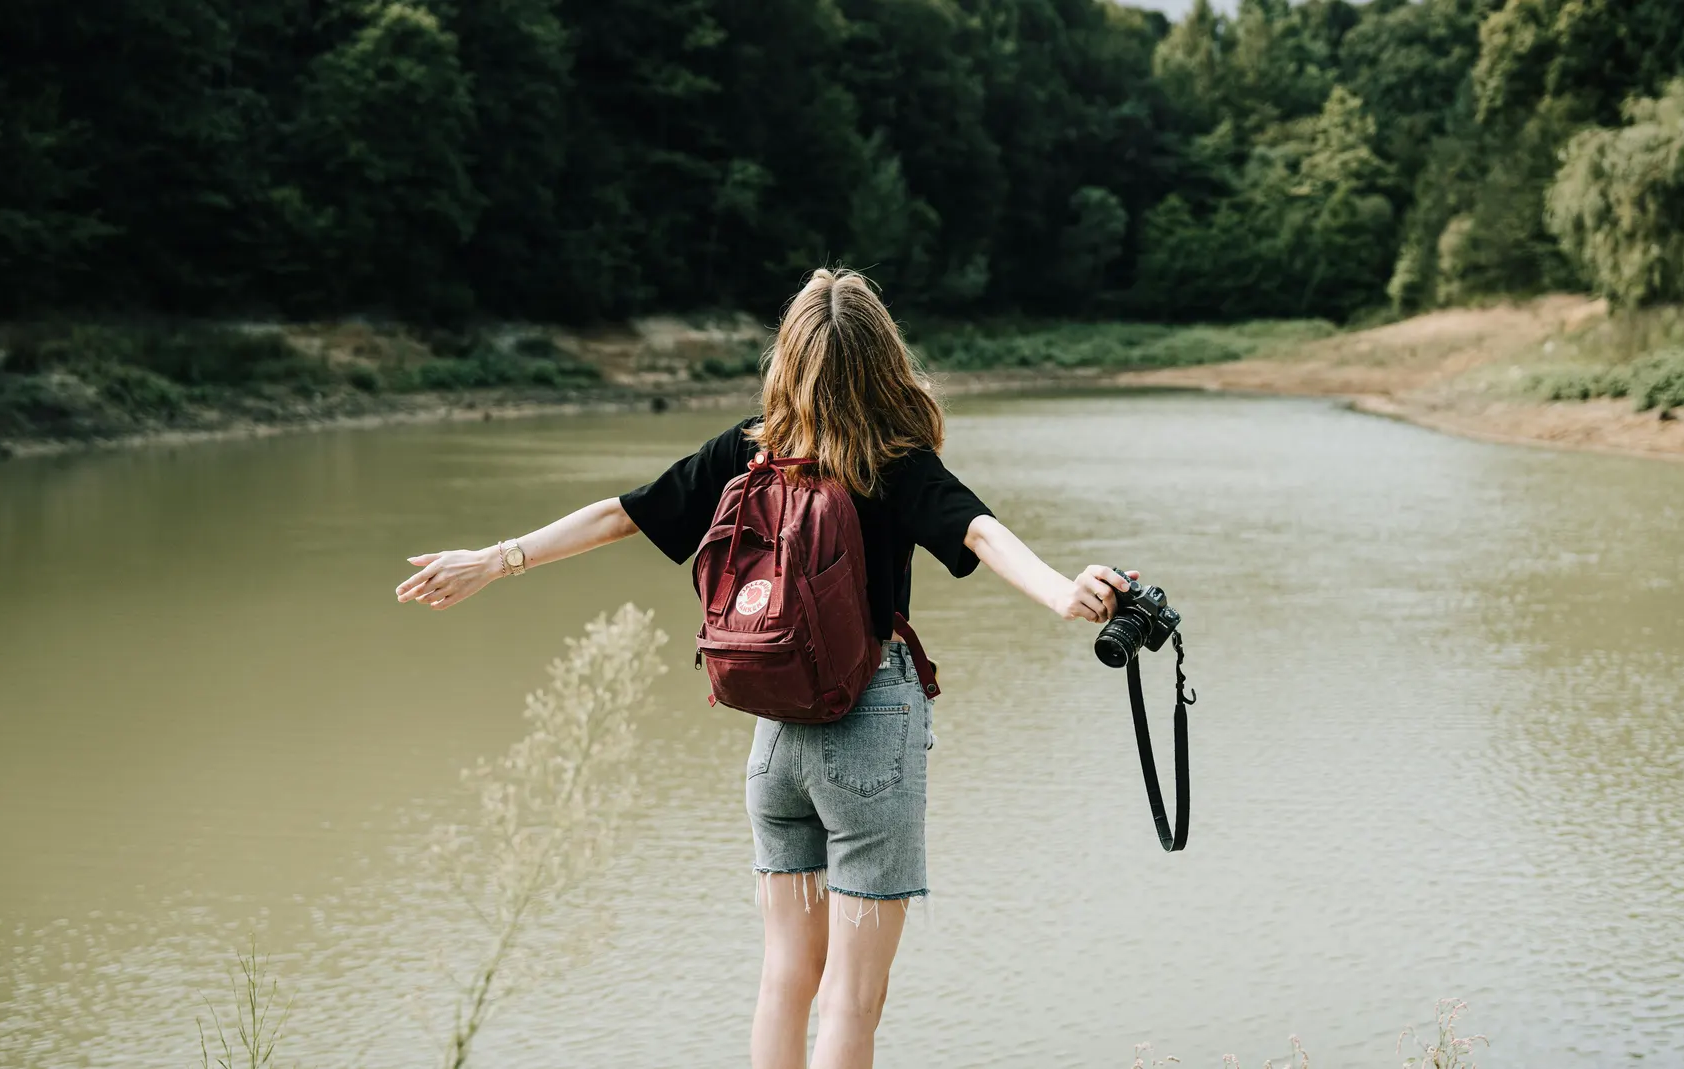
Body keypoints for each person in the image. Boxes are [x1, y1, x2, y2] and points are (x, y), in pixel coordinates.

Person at [394, 268, 1138, 1069]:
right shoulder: (892, 458)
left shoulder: (752, 451)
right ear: (884, 361)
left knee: (786, 978)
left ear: (788, 359)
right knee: (852, 998)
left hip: (775, 741)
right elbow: (981, 532)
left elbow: (621, 514)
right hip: (869, 735)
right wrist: (1063, 593)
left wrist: (496, 558)